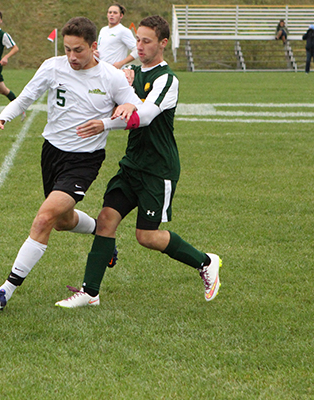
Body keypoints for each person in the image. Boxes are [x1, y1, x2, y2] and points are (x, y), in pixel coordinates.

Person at [56, 15, 222, 309]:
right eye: (138, 40)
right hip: (132, 164)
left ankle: (206, 261)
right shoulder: (131, 73)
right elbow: (108, 93)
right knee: (106, 219)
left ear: (163, 43)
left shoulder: (167, 80)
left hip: (158, 169)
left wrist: (105, 125)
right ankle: (90, 292)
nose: (140, 46)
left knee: (145, 236)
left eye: (147, 41)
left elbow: (143, 117)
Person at [0, 16, 142, 312]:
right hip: (52, 153)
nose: (72, 57)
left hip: (84, 161)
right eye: (68, 49)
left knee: (44, 218)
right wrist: (3, 117)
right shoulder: (52, 66)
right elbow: (27, 97)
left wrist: (108, 122)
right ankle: (102, 234)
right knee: (62, 222)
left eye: (79, 50)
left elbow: (135, 114)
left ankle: (4, 292)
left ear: (94, 46)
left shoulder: (111, 77)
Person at [96, 3, 137, 69]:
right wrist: (95, 52)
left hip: (115, 72)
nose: (112, 15)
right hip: (101, 70)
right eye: (110, 12)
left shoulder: (123, 31)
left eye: (115, 13)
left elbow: (137, 50)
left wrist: (121, 63)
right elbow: (101, 49)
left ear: (121, 16)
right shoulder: (103, 30)